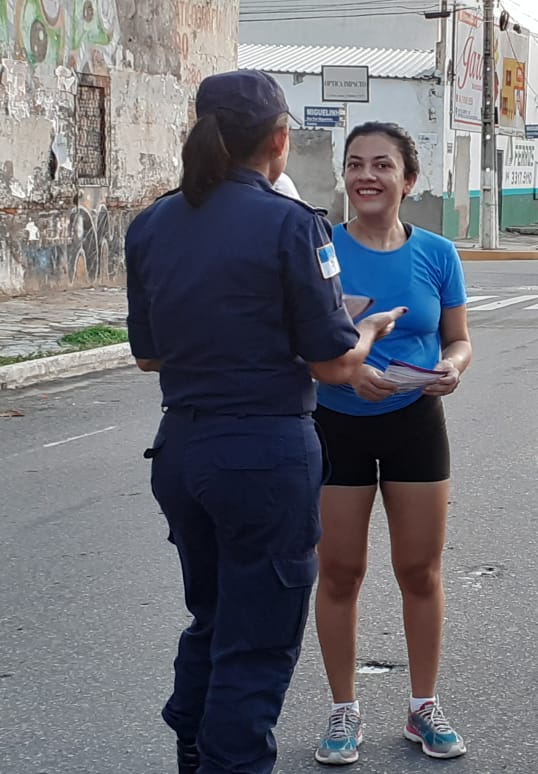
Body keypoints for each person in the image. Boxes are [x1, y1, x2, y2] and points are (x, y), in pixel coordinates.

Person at [125, 70, 405, 774]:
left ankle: (194, 748)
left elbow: (149, 355)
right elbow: (336, 364)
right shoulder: (293, 224)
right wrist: (364, 330)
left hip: (184, 448)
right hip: (263, 452)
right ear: (280, 140)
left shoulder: (152, 223)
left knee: (214, 618)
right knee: (256, 641)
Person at [312, 121, 472, 765]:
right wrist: (353, 369)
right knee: (341, 571)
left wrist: (455, 366)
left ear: (409, 180)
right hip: (334, 421)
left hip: (415, 422)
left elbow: (459, 337)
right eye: (355, 164)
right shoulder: (317, 248)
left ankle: (422, 707)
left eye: (382, 165)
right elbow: (293, 347)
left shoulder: (437, 252)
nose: (366, 176)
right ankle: (342, 710)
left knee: (420, 571)